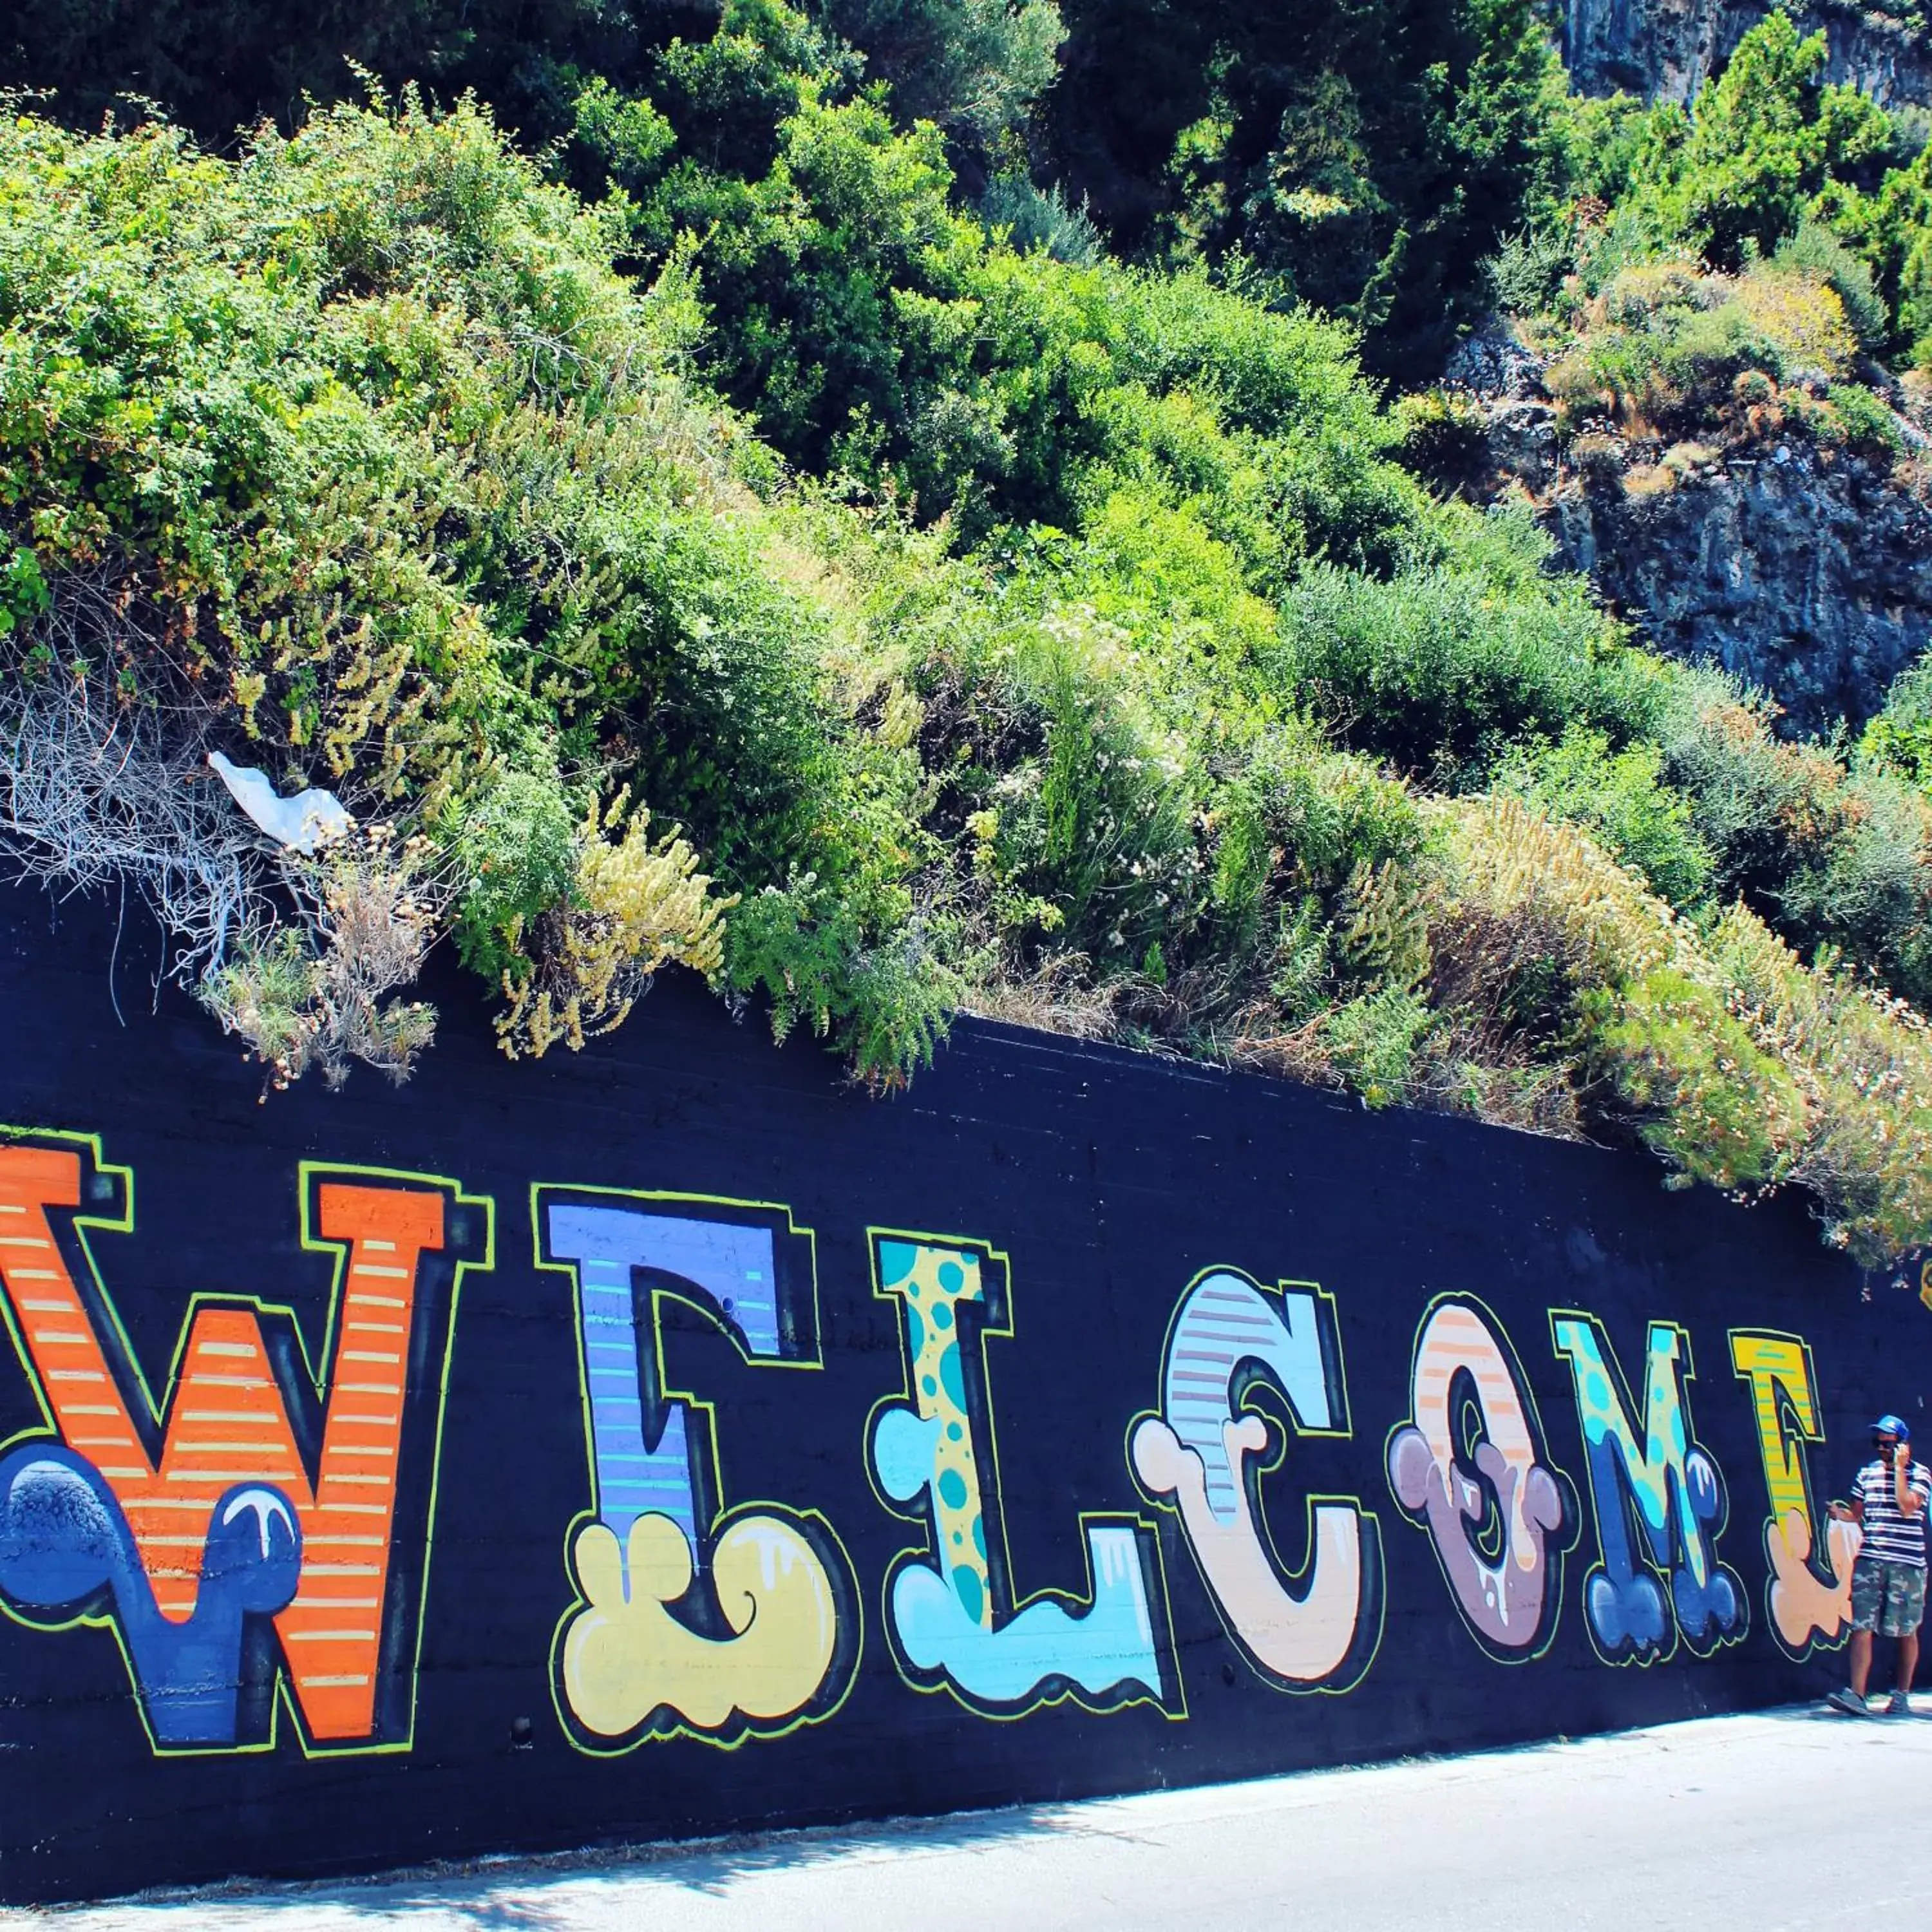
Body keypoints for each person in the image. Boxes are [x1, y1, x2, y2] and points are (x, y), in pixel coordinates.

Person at [1827, 1414, 1931, 1717]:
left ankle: (1901, 1694)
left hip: (1907, 1563)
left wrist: (1899, 1469)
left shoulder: (1920, 1474)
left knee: (1905, 1631)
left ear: (1903, 1445)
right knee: (1861, 1625)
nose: (1883, 1448)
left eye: (1889, 1443)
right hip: (1872, 1559)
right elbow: (1857, 1514)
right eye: (1879, 1443)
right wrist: (1840, 1514)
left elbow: (1907, 1505)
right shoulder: (1866, 1474)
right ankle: (1857, 1695)